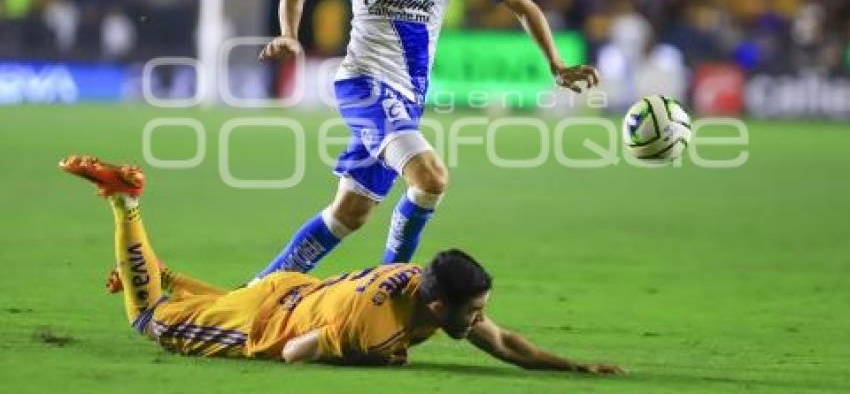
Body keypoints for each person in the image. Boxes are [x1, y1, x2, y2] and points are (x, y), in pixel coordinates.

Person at [256, 0, 600, 277]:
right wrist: (289, 34)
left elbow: (523, 5)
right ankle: (388, 287)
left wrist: (556, 62)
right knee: (431, 178)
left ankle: (258, 289)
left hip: (407, 97)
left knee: (349, 214)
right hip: (364, 84)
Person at [59, 155, 621, 374]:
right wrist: (365, 361)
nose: (479, 322)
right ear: (437, 305)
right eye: (473, 312)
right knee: (151, 321)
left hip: (286, 290)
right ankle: (125, 199)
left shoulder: (420, 283)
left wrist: (572, 366)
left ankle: (156, 268)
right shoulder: (372, 333)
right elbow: (297, 351)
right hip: (270, 323)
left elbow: (505, 344)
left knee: (194, 297)